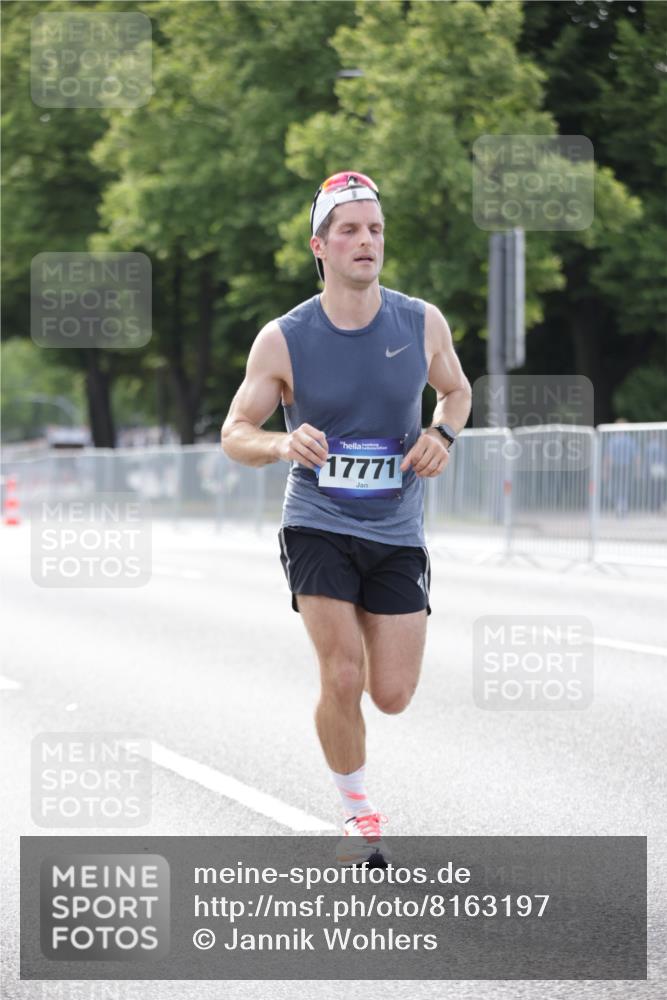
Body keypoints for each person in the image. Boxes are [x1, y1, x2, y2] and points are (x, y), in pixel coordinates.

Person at [221, 171, 471, 865]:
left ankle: (367, 674)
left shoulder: (420, 322)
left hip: (396, 529)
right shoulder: (284, 338)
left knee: (390, 694)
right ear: (320, 246)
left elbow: (455, 391)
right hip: (317, 520)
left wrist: (442, 433)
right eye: (351, 230)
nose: (367, 241)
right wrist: (281, 444)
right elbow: (235, 431)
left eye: (376, 229)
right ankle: (359, 816)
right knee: (341, 675)